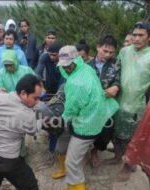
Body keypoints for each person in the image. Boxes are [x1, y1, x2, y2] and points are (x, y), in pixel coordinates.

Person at [57, 46, 119, 190]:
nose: (66, 68)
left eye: (68, 65)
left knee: (71, 162)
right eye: (63, 65)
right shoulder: (86, 68)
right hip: (97, 117)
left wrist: (62, 120)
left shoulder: (75, 83)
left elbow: (72, 108)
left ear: (76, 59)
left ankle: (76, 186)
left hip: (85, 126)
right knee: (77, 156)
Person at [110, 21, 150, 180]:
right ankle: (117, 156)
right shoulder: (124, 51)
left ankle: (128, 166)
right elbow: (116, 71)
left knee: (134, 138)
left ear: (149, 37)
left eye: (141, 35)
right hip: (118, 101)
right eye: (134, 35)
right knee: (116, 132)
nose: (136, 38)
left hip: (138, 105)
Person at [87, 35, 120, 168]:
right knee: (89, 129)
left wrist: (116, 86)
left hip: (108, 106)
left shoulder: (116, 63)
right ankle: (86, 149)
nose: (107, 55)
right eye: (105, 51)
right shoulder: (87, 65)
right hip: (91, 105)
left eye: (111, 52)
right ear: (98, 47)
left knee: (106, 131)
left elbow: (119, 79)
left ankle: (95, 150)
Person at [0, 29, 28, 93]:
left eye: (10, 39)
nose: (8, 41)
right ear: (3, 39)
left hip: (16, 84)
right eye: (6, 39)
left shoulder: (19, 53)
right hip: (0, 83)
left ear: (14, 40)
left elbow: (25, 69)